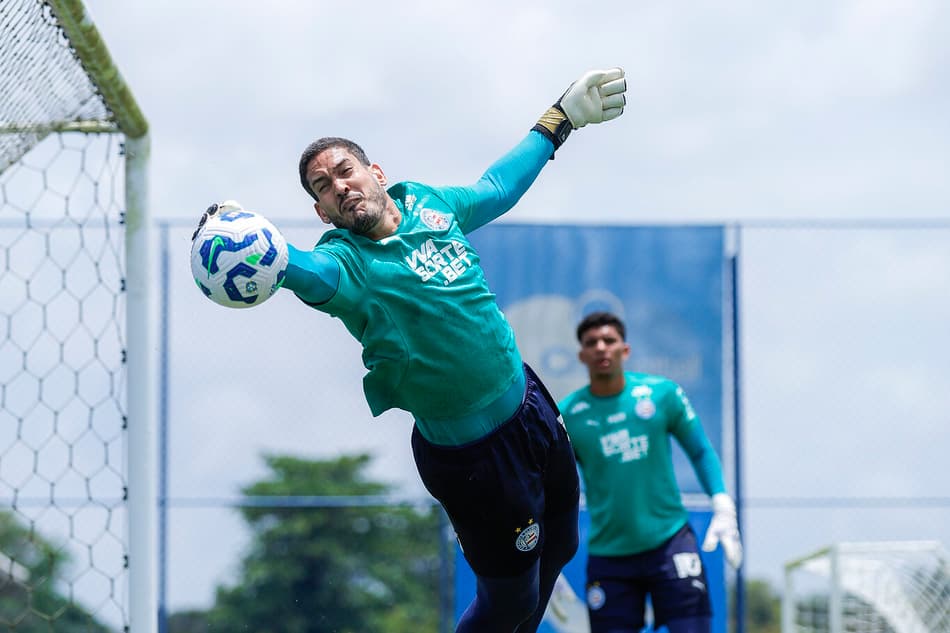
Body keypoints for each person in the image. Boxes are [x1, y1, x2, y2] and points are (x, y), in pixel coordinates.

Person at [195, 69, 627, 633]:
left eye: (344, 171)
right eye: (323, 187)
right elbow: (305, 273)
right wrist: (264, 249)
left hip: (532, 408)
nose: (339, 186)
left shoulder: (427, 203)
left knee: (564, 544)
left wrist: (558, 120)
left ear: (375, 173)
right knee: (510, 605)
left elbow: (495, 190)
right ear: (322, 212)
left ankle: (529, 593)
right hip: (473, 458)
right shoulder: (344, 264)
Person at [557, 311, 742, 633]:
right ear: (582, 355)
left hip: (670, 542)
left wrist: (723, 503)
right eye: (592, 343)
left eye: (609, 340)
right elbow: (550, 487)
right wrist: (545, 559)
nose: (601, 348)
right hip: (609, 556)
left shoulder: (662, 394)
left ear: (624, 350)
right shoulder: (568, 415)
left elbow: (699, 450)